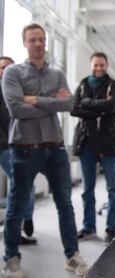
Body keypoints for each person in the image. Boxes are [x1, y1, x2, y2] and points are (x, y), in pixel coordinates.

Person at [1, 23, 88, 277]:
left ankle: (72, 255)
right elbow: (16, 109)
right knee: (17, 205)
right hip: (24, 149)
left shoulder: (57, 74)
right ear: (25, 43)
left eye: (41, 39)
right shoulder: (12, 73)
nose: (38, 44)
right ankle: (11, 259)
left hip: (55, 148)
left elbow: (69, 103)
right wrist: (53, 103)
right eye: (33, 40)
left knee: (65, 205)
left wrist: (35, 99)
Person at [71, 52, 115, 244]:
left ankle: (111, 227)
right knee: (87, 188)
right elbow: (74, 108)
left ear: (106, 65)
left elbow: (111, 106)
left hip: (107, 142)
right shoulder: (83, 84)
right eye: (95, 65)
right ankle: (88, 227)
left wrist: (87, 105)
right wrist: (98, 109)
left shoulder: (114, 86)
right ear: (90, 65)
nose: (99, 68)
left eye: (102, 65)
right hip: (86, 143)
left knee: (113, 187)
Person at [0, 56, 37, 246]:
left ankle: (24, 221)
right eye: (2, 68)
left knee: (27, 184)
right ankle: (17, 228)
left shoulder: (16, 90)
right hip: (5, 145)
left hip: (21, 143)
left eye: (8, 68)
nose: (4, 71)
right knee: (22, 185)